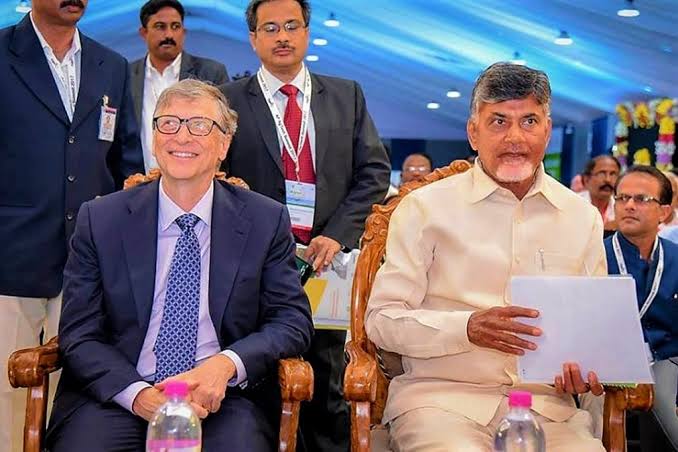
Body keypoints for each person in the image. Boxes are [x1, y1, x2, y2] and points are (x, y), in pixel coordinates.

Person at [45, 79, 313, 451]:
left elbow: (291, 320)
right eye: (169, 123)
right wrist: (140, 396)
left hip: (224, 398)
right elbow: (79, 331)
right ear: (155, 139)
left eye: (199, 125)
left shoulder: (264, 220)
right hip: (119, 394)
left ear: (224, 144)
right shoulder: (100, 219)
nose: (182, 136)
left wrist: (225, 365)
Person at [365, 62, 606, 452]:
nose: (515, 137)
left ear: (547, 130)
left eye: (529, 121)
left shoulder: (581, 217)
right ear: (473, 132)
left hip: (548, 410)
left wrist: (587, 368)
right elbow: (382, 321)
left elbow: (594, 331)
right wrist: (467, 328)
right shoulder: (425, 208)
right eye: (498, 122)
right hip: (440, 404)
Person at [220, 1, 391, 450]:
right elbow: (217, 179)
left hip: (326, 263)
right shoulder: (228, 100)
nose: (282, 36)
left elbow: (373, 172)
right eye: (270, 28)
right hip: (254, 265)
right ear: (253, 38)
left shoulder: (346, 95)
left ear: (307, 32)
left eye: (292, 26)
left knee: (328, 382)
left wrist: (337, 233)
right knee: (258, 377)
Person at [0, 1, 143, 450]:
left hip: (89, 265)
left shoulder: (111, 65)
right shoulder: (5, 52)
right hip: (10, 259)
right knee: (10, 393)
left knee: (79, 394)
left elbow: (126, 160)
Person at [604, 165, 678, 452]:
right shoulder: (595, 256)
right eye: (622, 198)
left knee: (662, 382)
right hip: (609, 365)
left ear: (664, 212)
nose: (629, 206)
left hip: (668, 359)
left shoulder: (675, 258)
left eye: (641, 199)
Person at [131, 0, 230, 172]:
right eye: (160, 27)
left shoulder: (210, 73)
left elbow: (224, 129)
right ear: (143, 32)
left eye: (175, 26)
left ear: (184, 32)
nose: (169, 34)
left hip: (197, 179)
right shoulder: (126, 75)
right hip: (136, 181)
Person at [580, 155, 621, 231]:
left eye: (613, 174)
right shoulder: (574, 205)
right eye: (601, 174)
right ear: (586, 180)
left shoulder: (622, 209)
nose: (608, 180)